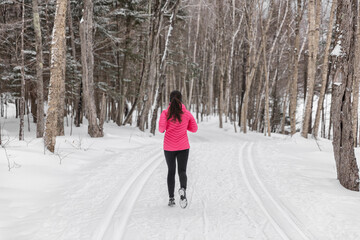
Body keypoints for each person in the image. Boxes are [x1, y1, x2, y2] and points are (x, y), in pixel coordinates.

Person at [159, 90, 198, 208]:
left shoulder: (165, 113)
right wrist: (184, 127)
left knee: (171, 171)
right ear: (181, 100)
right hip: (183, 147)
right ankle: (182, 189)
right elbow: (194, 128)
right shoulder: (186, 113)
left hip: (169, 147)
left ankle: (171, 199)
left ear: (170, 100)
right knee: (182, 171)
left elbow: (161, 129)